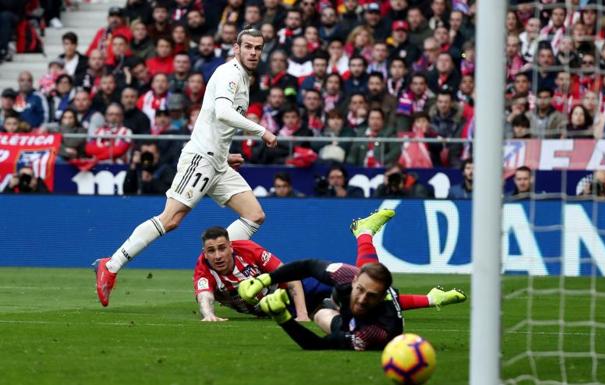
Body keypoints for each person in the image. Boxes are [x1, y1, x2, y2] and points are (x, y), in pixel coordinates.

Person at [93, 27, 278, 307]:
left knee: (254, 215)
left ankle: (217, 266)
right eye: (248, 47)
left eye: (258, 48)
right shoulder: (229, 74)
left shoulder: (242, 78)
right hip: (201, 158)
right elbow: (222, 113)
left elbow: (215, 124)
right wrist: (261, 131)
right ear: (236, 48)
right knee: (171, 219)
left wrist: (226, 155)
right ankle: (111, 264)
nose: (253, 52)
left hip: (217, 160)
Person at [238, 209, 466, 351]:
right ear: (354, 281)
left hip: (353, 324)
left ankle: (430, 297)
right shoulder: (349, 277)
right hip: (352, 293)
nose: (363, 298)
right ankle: (365, 233)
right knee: (366, 273)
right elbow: (307, 266)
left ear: (381, 297)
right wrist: (264, 280)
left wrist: (283, 318)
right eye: (360, 290)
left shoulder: (372, 334)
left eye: (372, 296)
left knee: (321, 315)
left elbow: (314, 345)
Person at [193, 226, 322, 321]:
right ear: (204, 253)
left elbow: (291, 277)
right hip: (272, 310)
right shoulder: (203, 268)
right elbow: (204, 296)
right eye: (211, 251)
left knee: (331, 287)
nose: (217, 256)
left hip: (293, 294)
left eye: (222, 248)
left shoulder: (249, 250)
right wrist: (208, 314)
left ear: (230, 247)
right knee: (323, 314)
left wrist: (302, 315)